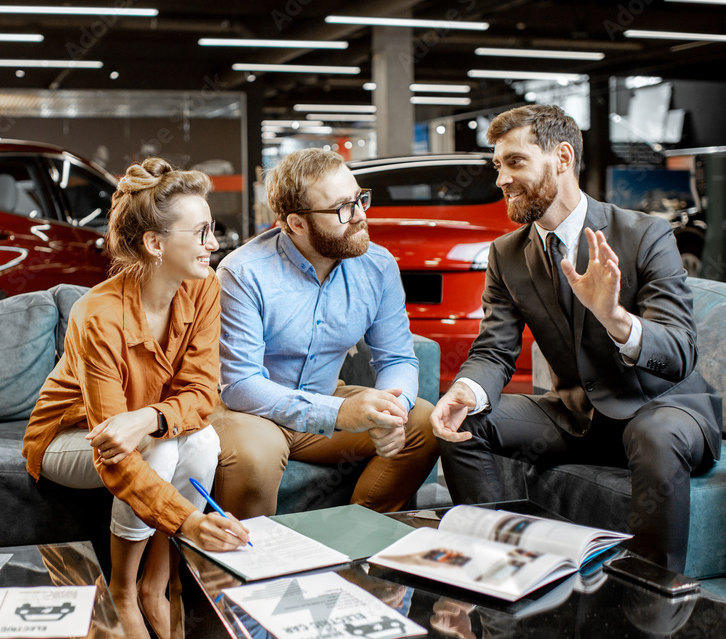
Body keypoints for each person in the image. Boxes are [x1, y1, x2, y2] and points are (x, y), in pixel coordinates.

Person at [431, 104, 721, 573]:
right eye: (497, 166)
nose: (501, 178)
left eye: (515, 161)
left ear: (562, 157)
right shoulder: (506, 254)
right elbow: (494, 348)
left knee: (654, 433)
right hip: (576, 415)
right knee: (466, 421)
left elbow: (680, 352)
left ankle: (653, 604)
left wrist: (616, 319)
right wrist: (467, 389)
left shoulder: (646, 234)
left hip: (664, 408)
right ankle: (496, 570)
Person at [22, 157, 249, 639]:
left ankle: (157, 584)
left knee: (202, 440)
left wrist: (147, 417)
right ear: (155, 244)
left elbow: (201, 395)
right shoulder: (97, 315)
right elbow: (113, 455)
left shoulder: (203, 287)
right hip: (70, 440)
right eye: (202, 232)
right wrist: (188, 522)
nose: (214, 244)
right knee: (158, 447)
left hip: (140, 427)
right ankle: (123, 591)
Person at [213, 147, 439, 519]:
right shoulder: (243, 272)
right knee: (256, 454)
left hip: (324, 397)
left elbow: (397, 357)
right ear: (297, 223)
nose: (361, 216)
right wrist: (339, 412)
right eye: (343, 208)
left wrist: (392, 411)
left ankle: (355, 545)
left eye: (360, 200)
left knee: (422, 425)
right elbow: (240, 385)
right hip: (252, 412)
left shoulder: (378, 266)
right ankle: (249, 570)